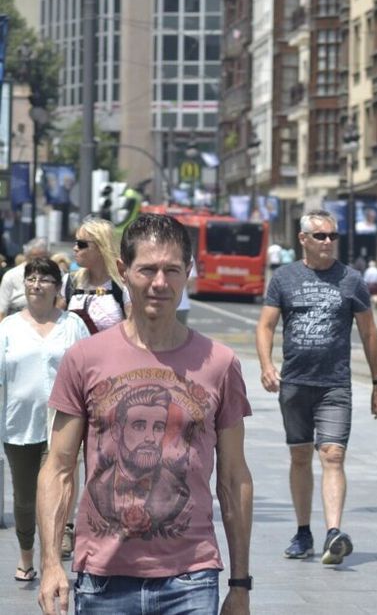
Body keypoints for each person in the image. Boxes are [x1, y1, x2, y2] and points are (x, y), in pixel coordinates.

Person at [37, 214, 254, 615]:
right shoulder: (85, 358)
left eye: (172, 270)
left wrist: (240, 584)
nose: (160, 283)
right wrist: (51, 564)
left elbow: (234, 476)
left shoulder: (220, 363)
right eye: (148, 269)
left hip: (191, 578)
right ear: (123, 270)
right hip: (102, 579)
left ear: (187, 271)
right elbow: (59, 466)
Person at [256, 210, 377, 567]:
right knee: (300, 456)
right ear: (303, 239)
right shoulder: (284, 278)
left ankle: (333, 532)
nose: (328, 242)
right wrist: (267, 366)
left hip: (334, 385)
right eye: (320, 236)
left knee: (332, 455)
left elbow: (369, 332)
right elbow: (266, 326)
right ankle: (303, 532)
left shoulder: (352, 280)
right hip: (295, 383)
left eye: (333, 236)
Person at [0, 258, 89, 583]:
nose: (36, 284)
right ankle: (27, 558)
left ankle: (51, 558)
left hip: (62, 426)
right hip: (18, 424)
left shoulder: (72, 325)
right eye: (31, 278)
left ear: (57, 286)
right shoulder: (8, 327)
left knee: (57, 495)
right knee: (24, 499)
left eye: (44, 279)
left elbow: (85, 373)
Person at [64, 217, 129, 335]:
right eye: (75, 243)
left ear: (100, 248)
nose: (75, 248)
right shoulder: (70, 282)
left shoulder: (123, 286)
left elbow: (134, 331)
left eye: (81, 244)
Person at [0, 238, 50, 319]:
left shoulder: (56, 273)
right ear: (26, 257)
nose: (39, 263)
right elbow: (1, 310)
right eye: (35, 259)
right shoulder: (11, 276)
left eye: (43, 259)